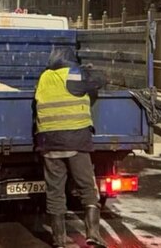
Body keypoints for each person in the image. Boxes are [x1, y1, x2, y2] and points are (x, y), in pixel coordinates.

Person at [35, 46, 106, 247]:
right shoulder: (73, 74)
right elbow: (99, 82)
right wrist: (87, 71)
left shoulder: (44, 77)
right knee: (86, 187)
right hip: (75, 139)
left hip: (48, 142)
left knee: (55, 191)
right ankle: (93, 233)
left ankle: (59, 240)